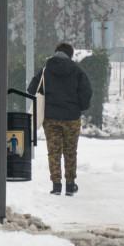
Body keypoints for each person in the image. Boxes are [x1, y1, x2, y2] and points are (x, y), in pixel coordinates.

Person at [28, 42, 92, 196]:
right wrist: (81, 107)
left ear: (55, 52)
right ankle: (70, 185)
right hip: (71, 117)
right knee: (70, 152)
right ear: (70, 55)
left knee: (54, 152)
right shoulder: (77, 71)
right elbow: (86, 92)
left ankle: (56, 185)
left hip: (51, 118)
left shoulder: (45, 71)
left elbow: (31, 89)